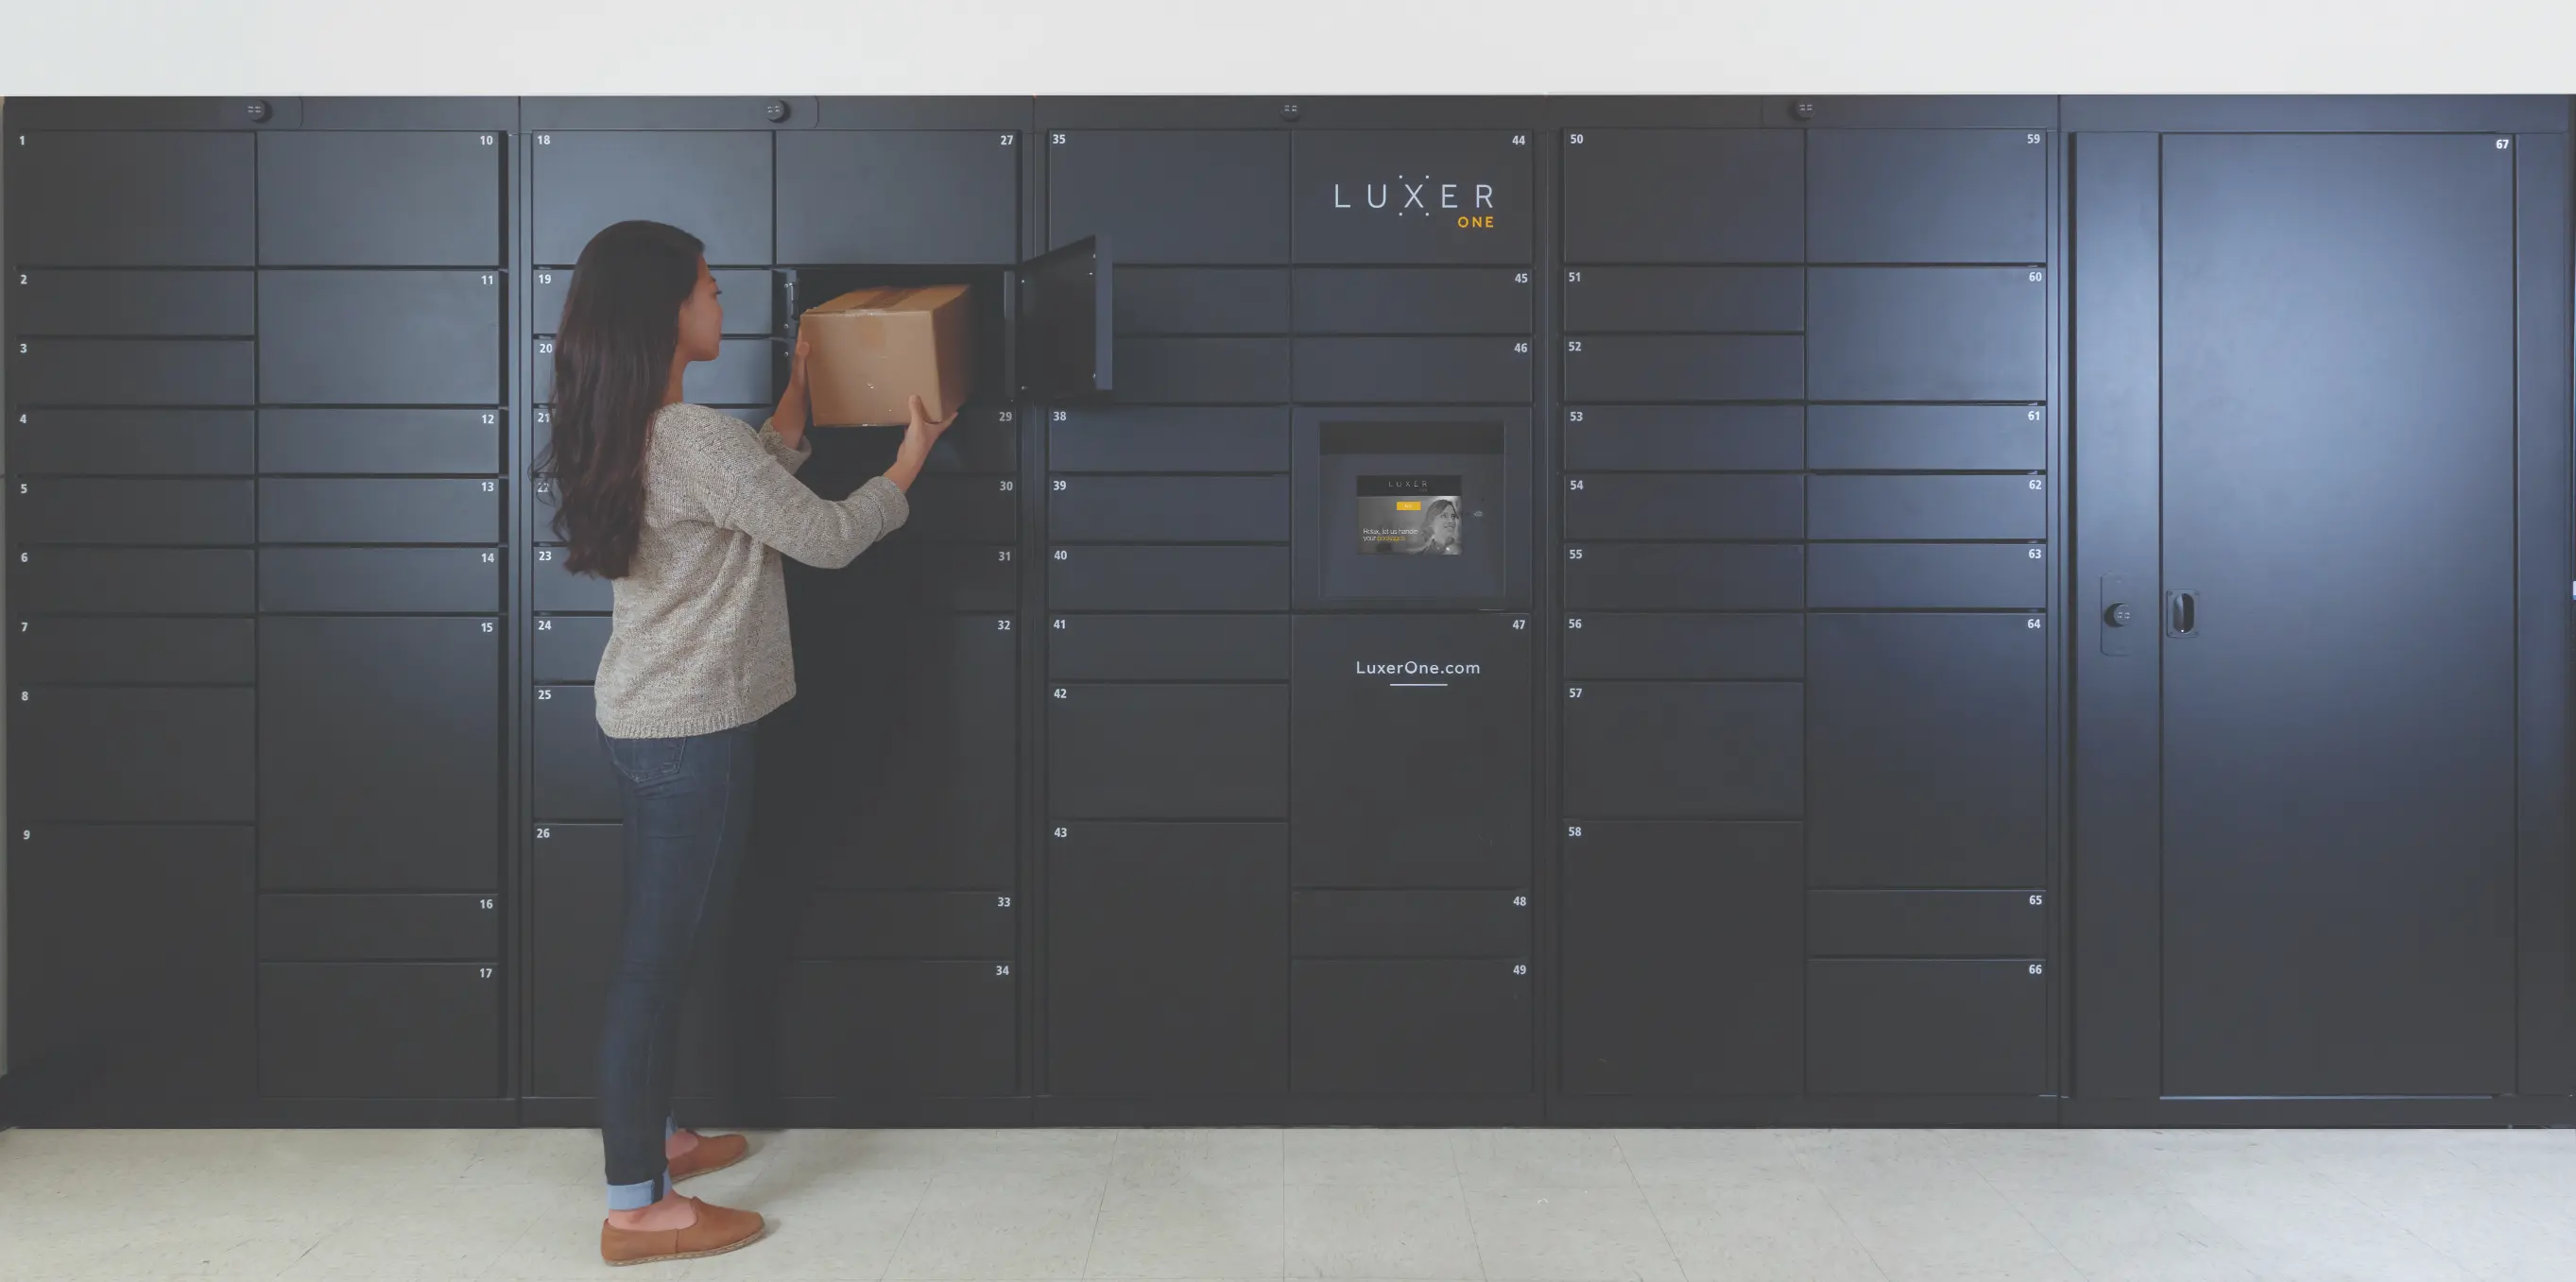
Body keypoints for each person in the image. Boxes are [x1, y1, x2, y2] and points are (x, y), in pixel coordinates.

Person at [540, 219, 956, 1267]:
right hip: (694, 733)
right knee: (655, 962)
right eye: (708, 286)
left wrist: (795, 402)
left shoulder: (633, 424)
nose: (721, 299)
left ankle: (660, 1137)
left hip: (648, 719)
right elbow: (823, 536)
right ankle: (637, 1208)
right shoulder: (693, 438)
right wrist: (910, 460)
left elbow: (744, 488)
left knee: (663, 944)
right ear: (664, 311)